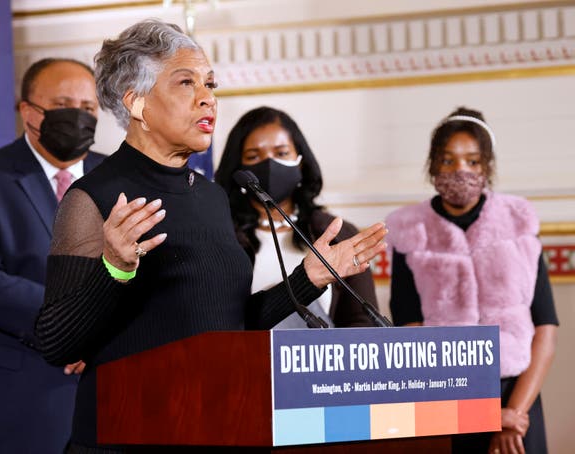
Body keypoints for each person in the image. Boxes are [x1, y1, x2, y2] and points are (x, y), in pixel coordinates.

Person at [33, 19, 387, 453]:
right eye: (186, 83)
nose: (208, 99)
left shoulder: (214, 197)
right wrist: (115, 269)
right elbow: (54, 342)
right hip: (129, 436)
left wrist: (307, 278)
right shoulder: (95, 196)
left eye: (211, 84)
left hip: (212, 428)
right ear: (137, 103)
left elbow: (228, 327)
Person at [0, 58, 106, 454]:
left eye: (87, 109)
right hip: (3, 399)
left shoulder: (118, 178)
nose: (78, 118)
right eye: (64, 105)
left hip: (104, 398)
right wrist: (72, 327)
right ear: (29, 111)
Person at [385, 107, 558, 454]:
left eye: (473, 162)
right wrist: (482, 415)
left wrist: (513, 414)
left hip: (518, 398)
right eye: (448, 161)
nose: (460, 170)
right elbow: (409, 330)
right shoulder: (409, 230)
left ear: (487, 168)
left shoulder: (518, 222)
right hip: (447, 400)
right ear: (433, 166)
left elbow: (545, 328)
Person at [214, 106, 380, 328]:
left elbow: (362, 323)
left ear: (301, 162)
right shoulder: (219, 235)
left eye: (282, 153)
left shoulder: (336, 232)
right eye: (254, 156)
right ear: (238, 169)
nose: (270, 164)